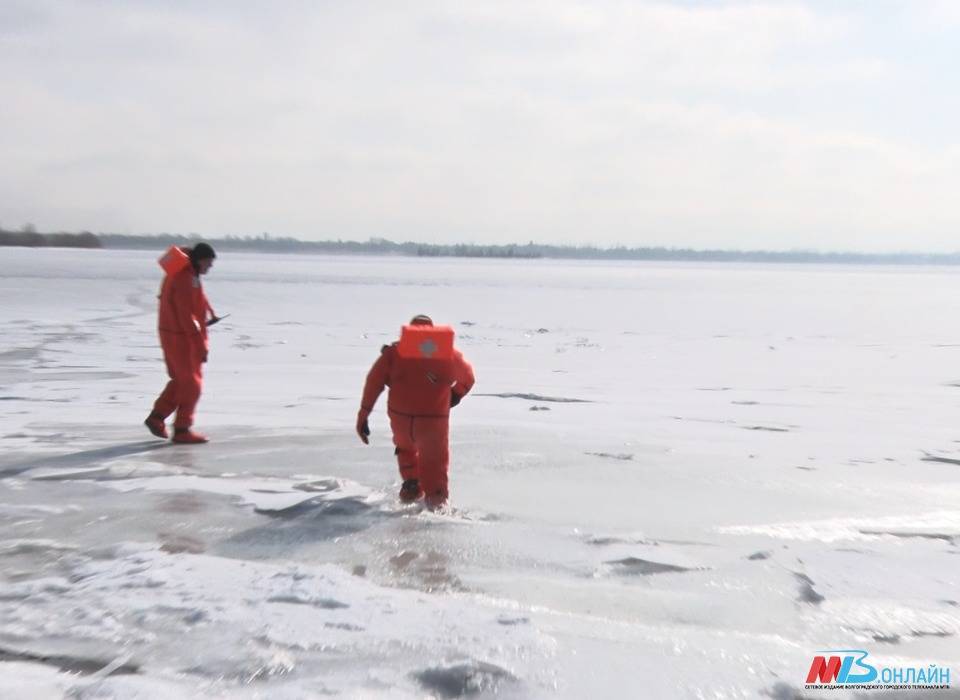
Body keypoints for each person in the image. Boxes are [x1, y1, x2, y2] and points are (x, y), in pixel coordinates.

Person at [356, 315, 475, 509]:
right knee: (434, 462)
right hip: (432, 421)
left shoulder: (393, 353)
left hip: (401, 419)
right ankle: (437, 506)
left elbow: (374, 383)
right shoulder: (448, 355)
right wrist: (456, 394)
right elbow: (468, 377)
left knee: (406, 450)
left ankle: (411, 485)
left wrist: (364, 414)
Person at [144, 243, 218, 444]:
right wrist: (200, 344)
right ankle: (182, 429)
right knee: (192, 385)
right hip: (180, 336)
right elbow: (186, 315)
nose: (209, 268)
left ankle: (157, 418)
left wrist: (210, 313)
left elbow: (198, 300)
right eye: (208, 263)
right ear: (200, 259)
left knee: (182, 381)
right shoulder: (184, 278)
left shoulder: (189, 274)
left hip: (178, 334)